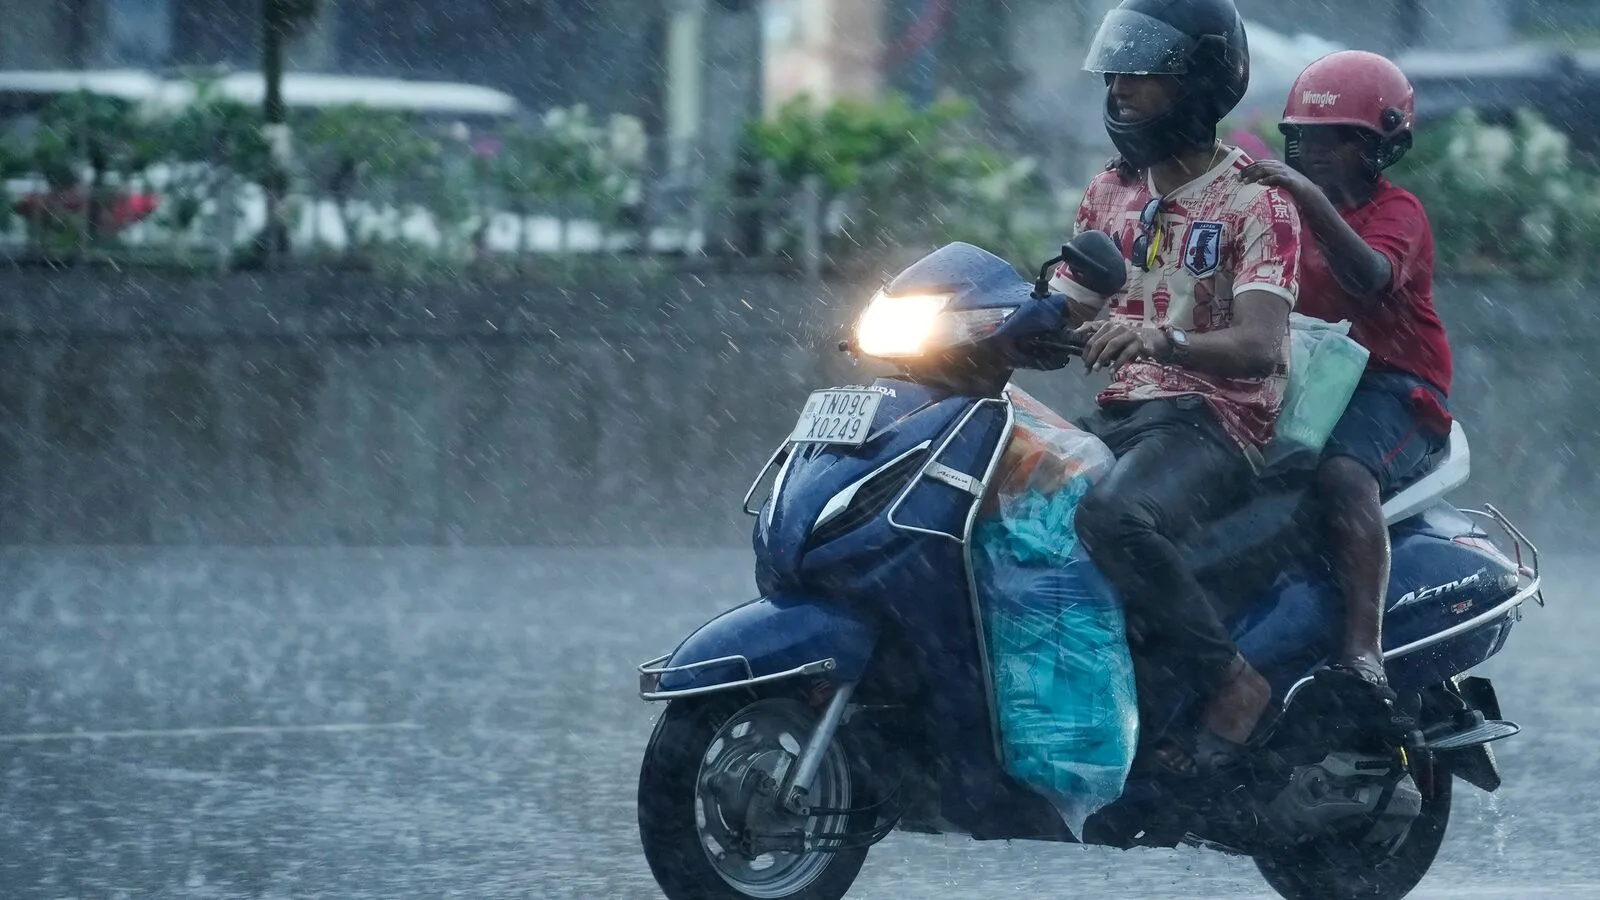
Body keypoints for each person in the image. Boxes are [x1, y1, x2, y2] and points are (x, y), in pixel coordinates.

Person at [1050, 0, 1303, 776]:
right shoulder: (1110, 194)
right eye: (1115, 65)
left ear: (1198, 80)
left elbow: (1261, 346)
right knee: (1009, 509)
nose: (1119, 83)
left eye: (1144, 69)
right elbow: (1067, 302)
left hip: (1214, 421)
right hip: (1124, 411)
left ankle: (1231, 683)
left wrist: (1164, 339)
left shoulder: (1257, 201)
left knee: (1116, 517)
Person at [1241, 52, 1453, 693]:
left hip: (1394, 389)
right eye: (1304, 140)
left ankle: (1363, 649)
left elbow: (1369, 278)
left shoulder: (1400, 213)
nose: (1316, 154)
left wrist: (1305, 197)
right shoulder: (1274, 217)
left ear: (1382, 149)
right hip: (1302, 378)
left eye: (1339, 141)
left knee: (1342, 474)